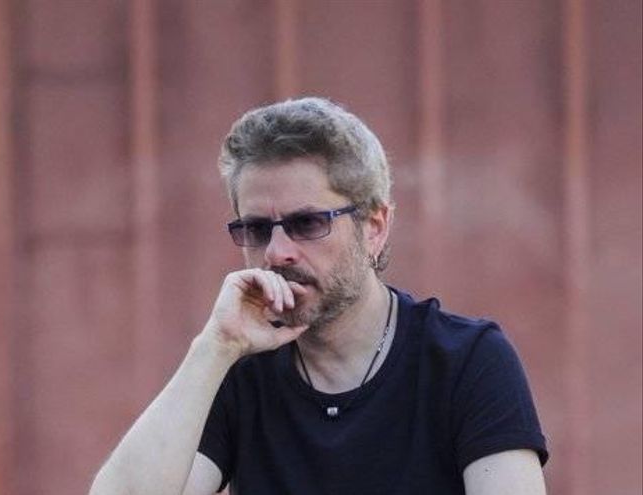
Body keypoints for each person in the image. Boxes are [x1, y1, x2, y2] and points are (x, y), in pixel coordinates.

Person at [90, 97, 548, 494]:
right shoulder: (238, 369)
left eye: (306, 223)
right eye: (257, 229)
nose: (276, 252)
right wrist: (215, 346)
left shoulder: (465, 360)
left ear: (375, 227)